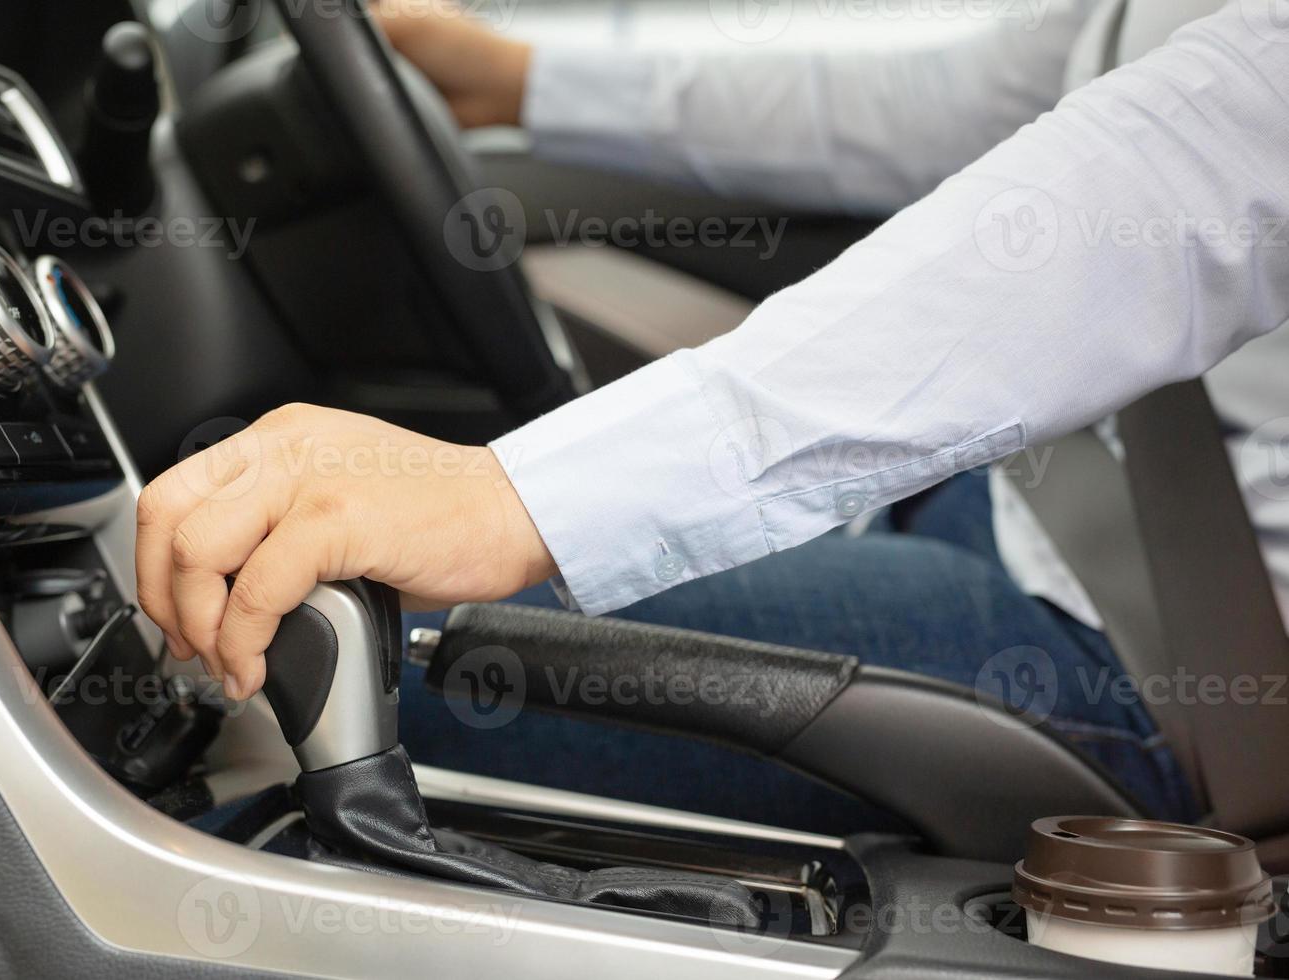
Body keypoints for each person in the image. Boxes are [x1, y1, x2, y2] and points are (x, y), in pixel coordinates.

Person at [137, 2, 1289, 830]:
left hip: (1181, 663)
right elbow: (988, 90)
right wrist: (516, 79)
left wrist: (514, 499)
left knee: (288, 745)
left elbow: (1186, 178)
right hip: (1044, 518)